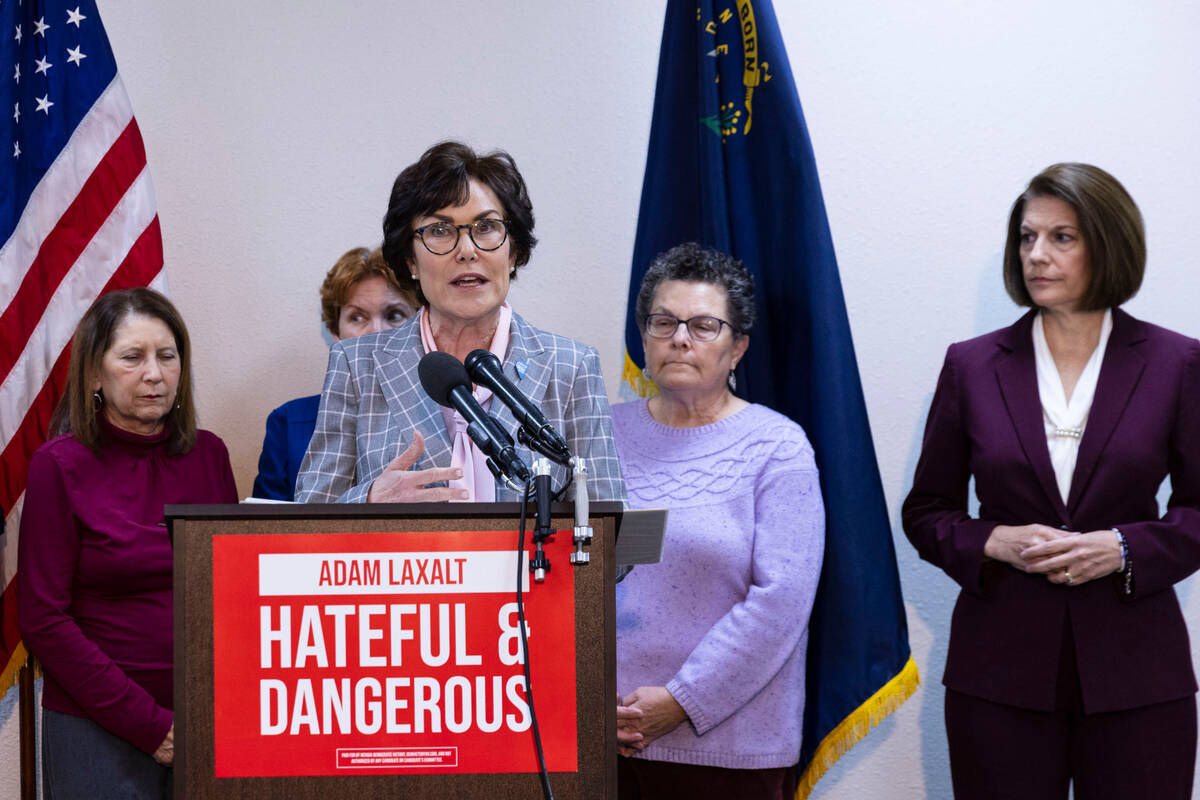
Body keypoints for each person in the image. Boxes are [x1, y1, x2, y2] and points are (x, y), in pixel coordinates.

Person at [902, 163, 1200, 799]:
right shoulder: (973, 365)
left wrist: (1123, 548)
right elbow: (926, 510)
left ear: (1109, 243)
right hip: (999, 679)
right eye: (1027, 237)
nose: (1037, 254)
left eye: (1062, 237)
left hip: (1139, 679)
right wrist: (995, 542)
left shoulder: (1178, 363)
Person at [295, 141, 625, 503]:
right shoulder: (356, 366)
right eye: (440, 231)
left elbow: (612, 541)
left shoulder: (571, 367)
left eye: (486, 227)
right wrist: (369, 502)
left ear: (512, 252)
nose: (467, 250)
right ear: (410, 262)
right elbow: (307, 520)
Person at [611, 243, 825, 800]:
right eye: (663, 322)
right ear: (644, 336)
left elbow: (781, 603)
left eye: (704, 326)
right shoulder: (597, 434)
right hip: (599, 740)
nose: (680, 338)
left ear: (739, 348)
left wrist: (681, 701)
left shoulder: (778, 447)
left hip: (729, 754)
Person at [18, 288, 238, 799]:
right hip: (96, 721)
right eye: (132, 357)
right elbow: (43, 620)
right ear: (95, 373)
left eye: (167, 356)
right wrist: (150, 726)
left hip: (205, 715)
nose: (154, 374)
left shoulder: (210, 455)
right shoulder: (58, 465)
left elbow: (229, 591)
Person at [252, 246, 416, 500]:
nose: (376, 332)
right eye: (358, 317)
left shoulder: (442, 414)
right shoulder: (288, 423)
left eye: (394, 315)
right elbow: (266, 532)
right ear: (335, 334)